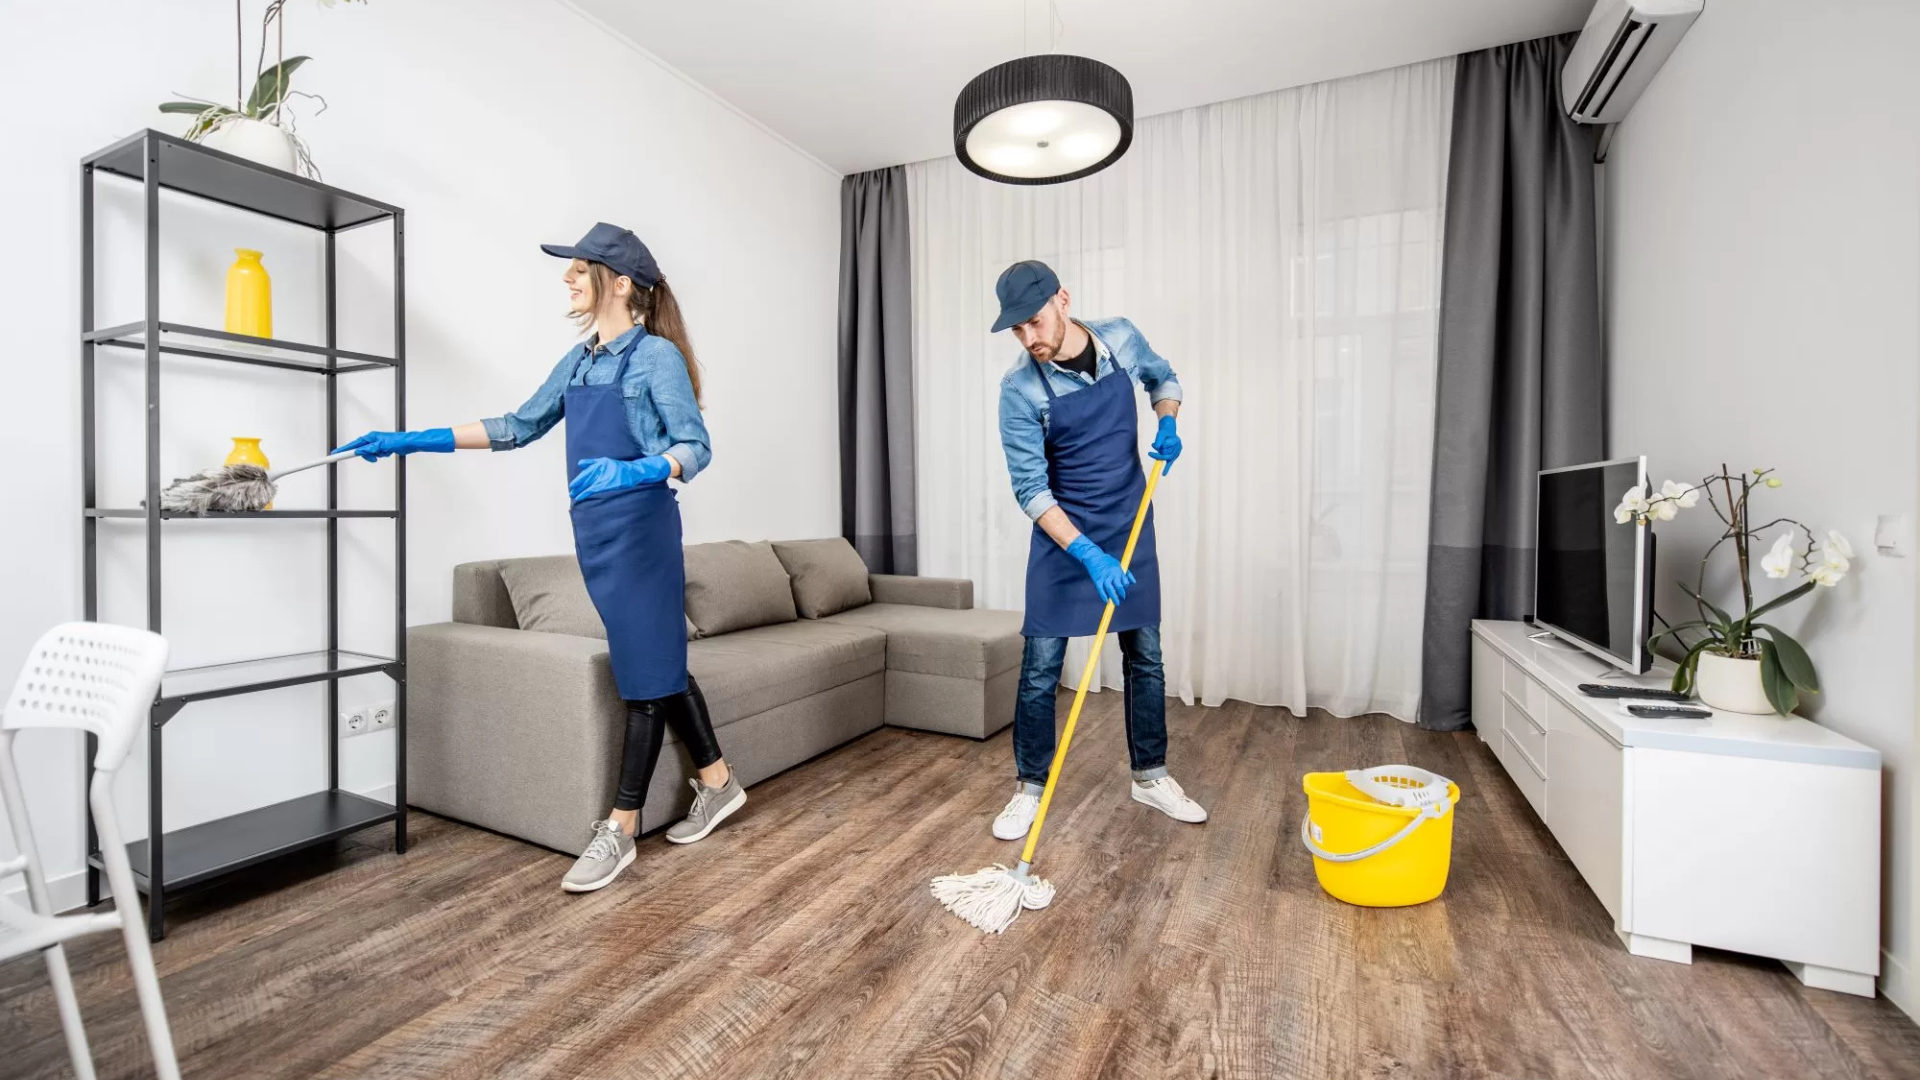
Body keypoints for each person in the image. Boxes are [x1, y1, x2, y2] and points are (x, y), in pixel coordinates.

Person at [335, 222, 745, 893]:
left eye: (580, 269)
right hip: (596, 535)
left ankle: (619, 829)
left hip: (642, 532)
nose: (567, 278)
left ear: (619, 283)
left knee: (643, 680)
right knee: (657, 664)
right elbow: (517, 426)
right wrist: (410, 440)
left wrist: (640, 470)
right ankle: (720, 783)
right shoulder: (580, 362)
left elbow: (694, 446)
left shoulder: (656, 358)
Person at [990, 259, 1208, 841]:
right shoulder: (1019, 389)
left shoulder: (1120, 338)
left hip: (1128, 523)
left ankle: (1150, 776)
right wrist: (1087, 554)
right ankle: (1029, 789)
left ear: (1062, 300)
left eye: (1035, 322)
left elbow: (1163, 379)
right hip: (1065, 539)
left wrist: (1167, 421)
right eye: (1017, 329)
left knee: (1145, 656)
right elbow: (1031, 491)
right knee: (1041, 668)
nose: (1029, 338)